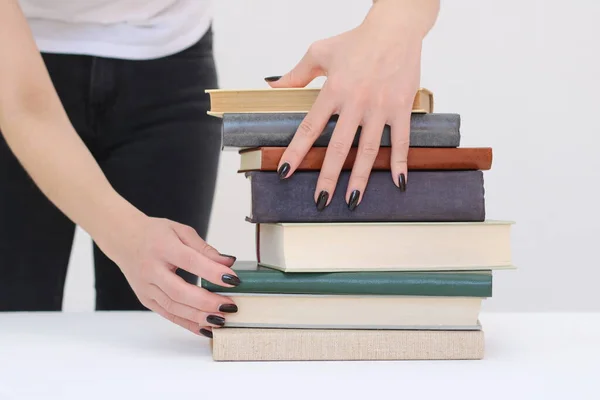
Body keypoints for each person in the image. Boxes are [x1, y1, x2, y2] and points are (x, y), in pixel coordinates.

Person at [0, 0, 440, 337]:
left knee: (153, 334)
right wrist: (125, 235)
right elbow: (23, 104)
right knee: (15, 325)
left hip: (170, 61)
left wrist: (394, 29)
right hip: (18, 63)